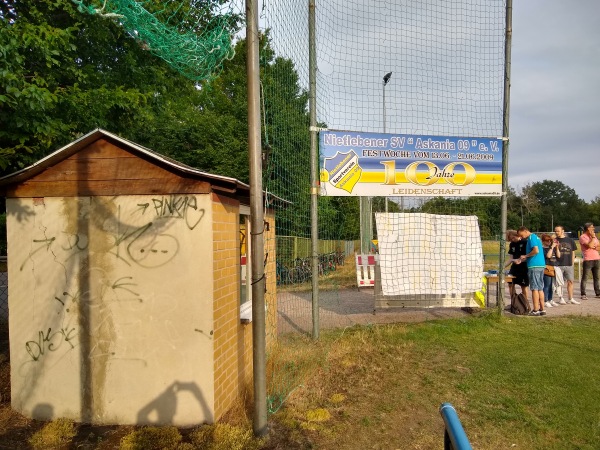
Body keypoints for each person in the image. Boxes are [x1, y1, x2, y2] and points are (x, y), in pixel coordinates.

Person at [517, 226, 546, 316]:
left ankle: (536, 309)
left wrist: (526, 256)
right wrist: (522, 259)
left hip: (534, 266)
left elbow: (536, 251)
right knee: (540, 287)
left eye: (521, 235)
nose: (521, 237)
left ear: (525, 231)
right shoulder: (536, 237)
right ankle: (542, 309)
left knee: (534, 288)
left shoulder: (531, 237)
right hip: (540, 265)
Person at [554, 225, 580, 304]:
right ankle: (561, 298)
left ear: (563, 231)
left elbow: (573, 252)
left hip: (568, 264)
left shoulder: (570, 240)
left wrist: (572, 262)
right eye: (555, 231)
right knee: (560, 282)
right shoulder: (555, 240)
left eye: (558, 231)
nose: (556, 232)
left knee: (570, 281)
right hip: (559, 264)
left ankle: (571, 298)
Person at [504, 230, 529, 305]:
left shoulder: (525, 242)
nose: (512, 240)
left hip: (524, 267)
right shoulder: (512, 244)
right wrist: (502, 266)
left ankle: (525, 304)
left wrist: (521, 260)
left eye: (513, 238)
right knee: (510, 284)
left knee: (523, 286)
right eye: (511, 239)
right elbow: (511, 258)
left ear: (517, 235)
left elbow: (529, 256)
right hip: (514, 267)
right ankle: (514, 303)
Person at [579, 222, 600, 300]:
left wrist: (594, 244)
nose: (593, 228)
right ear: (588, 228)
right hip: (588, 259)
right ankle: (583, 293)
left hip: (597, 258)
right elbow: (590, 245)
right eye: (592, 227)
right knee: (585, 277)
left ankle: (597, 293)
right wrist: (593, 238)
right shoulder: (583, 237)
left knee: (597, 277)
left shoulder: (594, 237)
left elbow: (599, 247)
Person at [541, 234, 560, 308]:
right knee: (547, 285)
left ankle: (550, 299)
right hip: (547, 268)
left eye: (550, 241)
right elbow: (548, 256)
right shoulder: (543, 249)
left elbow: (558, 256)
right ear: (543, 241)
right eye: (547, 241)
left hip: (554, 267)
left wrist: (557, 248)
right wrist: (551, 248)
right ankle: (545, 300)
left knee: (552, 286)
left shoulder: (553, 248)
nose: (549, 242)